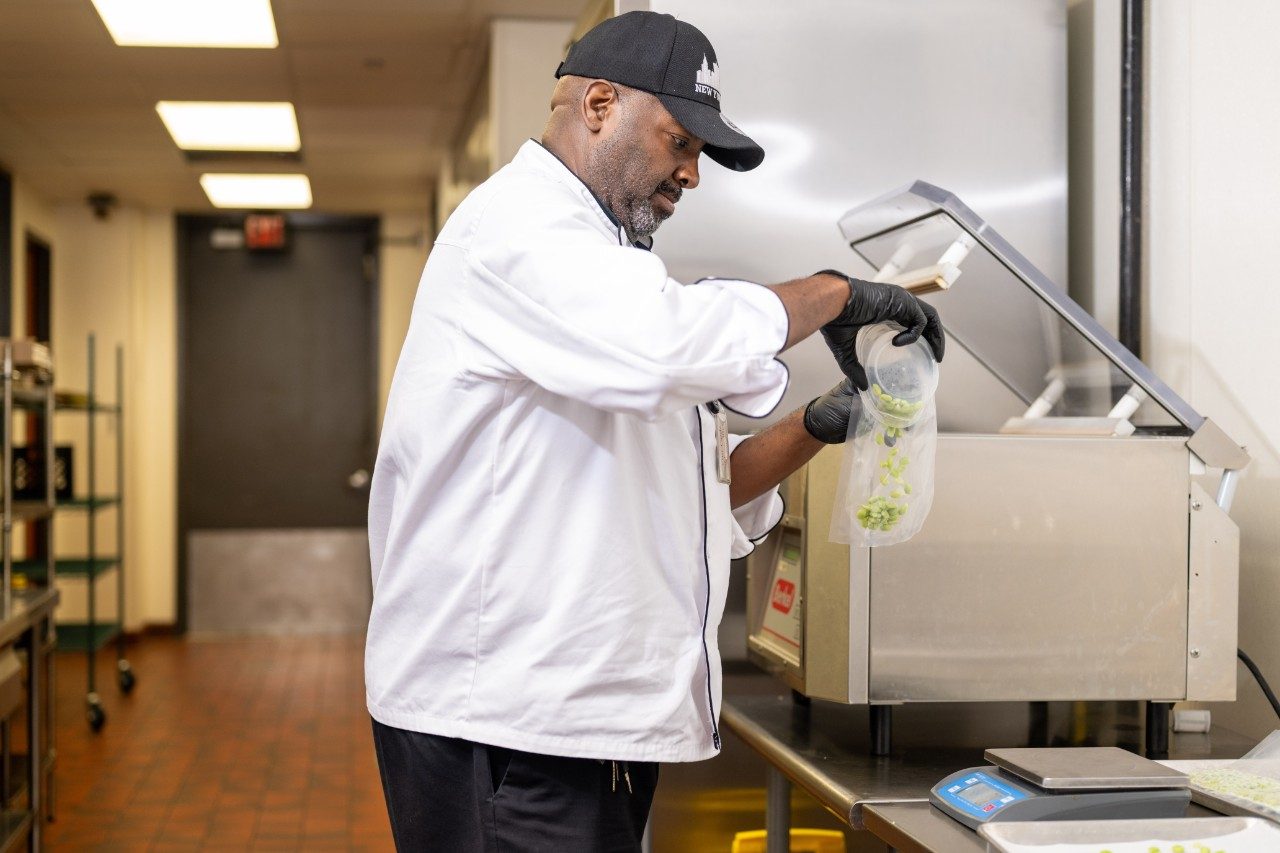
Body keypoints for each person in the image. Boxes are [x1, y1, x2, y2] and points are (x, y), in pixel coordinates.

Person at [365, 10, 943, 852]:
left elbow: (704, 491)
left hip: (585, 732)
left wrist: (821, 423)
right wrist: (838, 293)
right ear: (598, 102)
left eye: (700, 153)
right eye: (681, 141)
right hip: (504, 727)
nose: (691, 173)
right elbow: (668, 344)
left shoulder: (607, 273)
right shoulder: (519, 229)